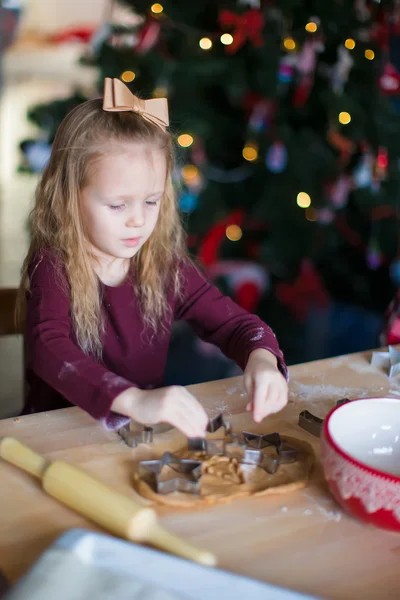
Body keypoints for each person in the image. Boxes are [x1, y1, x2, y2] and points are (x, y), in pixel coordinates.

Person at [16, 77, 288, 438]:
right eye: (117, 204)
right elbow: (48, 348)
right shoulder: (53, 263)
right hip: (59, 438)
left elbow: (234, 324)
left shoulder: (162, 261)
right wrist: (132, 399)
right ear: (69, 197)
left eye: (151, 201)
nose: (138, 220)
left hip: (134, 436)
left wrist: (262, 358)